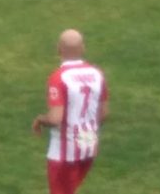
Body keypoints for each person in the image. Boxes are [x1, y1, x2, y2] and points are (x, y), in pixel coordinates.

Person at [32, 29, 108, 194]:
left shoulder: (59, 78)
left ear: (59, 49)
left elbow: (55, 119)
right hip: (88, 145)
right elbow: (103, 114)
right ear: (83, 48)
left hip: (64, 151)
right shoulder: (97, 75)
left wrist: (40, 119)